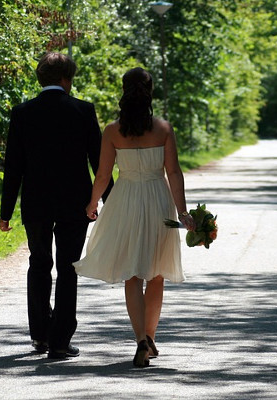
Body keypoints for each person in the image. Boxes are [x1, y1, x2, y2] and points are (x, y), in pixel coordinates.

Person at [73, 67, 195, 367]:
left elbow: (103, 174)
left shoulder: (113, 131)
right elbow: (174, 172)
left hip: (126, 198)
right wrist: (183, 211)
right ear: (149, 92)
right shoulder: (164, 129)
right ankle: (151, 339)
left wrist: (92, 203)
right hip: (157, 198)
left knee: (132, 273)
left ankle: (140, 338)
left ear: (124, 92)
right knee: (156, 273)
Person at [0, 52, 113, 359]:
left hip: (36, 202)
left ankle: (39, 335)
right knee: (68, 268)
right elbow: (98, 163)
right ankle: (60, 340)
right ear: (66, 79)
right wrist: (109, 201)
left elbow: (14, 166)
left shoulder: (22, 113)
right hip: (74, 202)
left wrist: (5, 212)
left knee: (38, 264)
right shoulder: (83, 110)